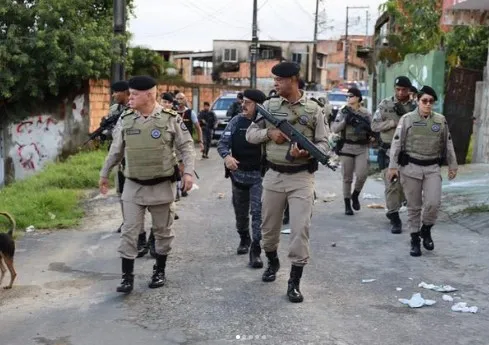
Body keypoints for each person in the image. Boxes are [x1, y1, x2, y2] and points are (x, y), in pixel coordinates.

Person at [99, 75, 195, 293]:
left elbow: (187, 146)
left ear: (149, 95)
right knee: (129, 231)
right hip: (133, 185)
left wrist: (188, 172)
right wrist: (104, 174)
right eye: (130, 94)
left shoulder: (171, 118)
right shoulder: (126, 118)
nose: (130, 98)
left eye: (134, 95)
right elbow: (116, 150)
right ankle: (127, 277)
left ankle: (159, 271)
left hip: (162, 185)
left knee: (162, 232)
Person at [246, 61, 332, 303]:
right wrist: (269, 134)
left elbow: (325, 144)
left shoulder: (314, 109)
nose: (275, 84)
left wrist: (306, 152)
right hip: (273, 175)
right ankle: (272, 261)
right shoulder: (268, 106)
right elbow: (250, 135)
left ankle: (294, 282)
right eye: (274, 80)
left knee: (299, 229)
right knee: (268, 230)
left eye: (279, 80)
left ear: (293, 79)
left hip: (302, 177)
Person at [388, 86, 457, 257]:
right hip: (410, 168)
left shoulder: (440, 120)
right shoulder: (407, 119)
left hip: (432, 167)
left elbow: (448, 143)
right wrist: (393, 167)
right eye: (424, 101)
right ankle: (414, 239)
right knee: (414, 206)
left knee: (433, 203)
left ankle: (426, 229)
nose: (427, 104)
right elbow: (396, 143)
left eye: (431, 101)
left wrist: (452, 165)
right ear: (418, 101)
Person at [217, 89, 267, 268]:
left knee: (257, 212)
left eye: (248, 102)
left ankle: (256, 250)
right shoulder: (236, 121)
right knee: (240, 212)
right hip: (238, 176)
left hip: (259, 176)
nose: (243, 105)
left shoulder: (266, 124)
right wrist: (227, 157)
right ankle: (244, 237)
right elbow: (222, 144)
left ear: (259, 106)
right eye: (243, 102)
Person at [371, 76, 417, 234]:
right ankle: (394, 216)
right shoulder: (385, 104)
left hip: (407, 152)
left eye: (404, 89)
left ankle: (397, 205)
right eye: (398, 89)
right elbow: (374, 125)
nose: (400, 92)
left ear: (409, 90)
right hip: (387, 150)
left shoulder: (415, 107)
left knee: (404, 185)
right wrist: (390, 124)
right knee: (391, 185)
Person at [331, 87, 372, 215]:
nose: (348, 98)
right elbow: (335, 129)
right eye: (347, 96)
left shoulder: (366, 113)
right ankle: (347, 204)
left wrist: (372, 136)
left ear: (358, 98)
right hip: (347, 146)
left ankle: (355, 194)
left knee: (362, 175)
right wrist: (345, 121)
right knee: (347, 178)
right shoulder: (343, 112)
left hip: (361, 147)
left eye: (351, 96)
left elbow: (372, 128)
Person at [102, 81, 130, 234]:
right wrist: (105, 131)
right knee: (121, 190)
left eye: (116, 92)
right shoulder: (113, 110)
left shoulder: (135, 108)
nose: (113, 95)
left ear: (125, 92)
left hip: (132, 153)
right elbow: (111, 132)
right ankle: (127, 220)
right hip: (118, 154)